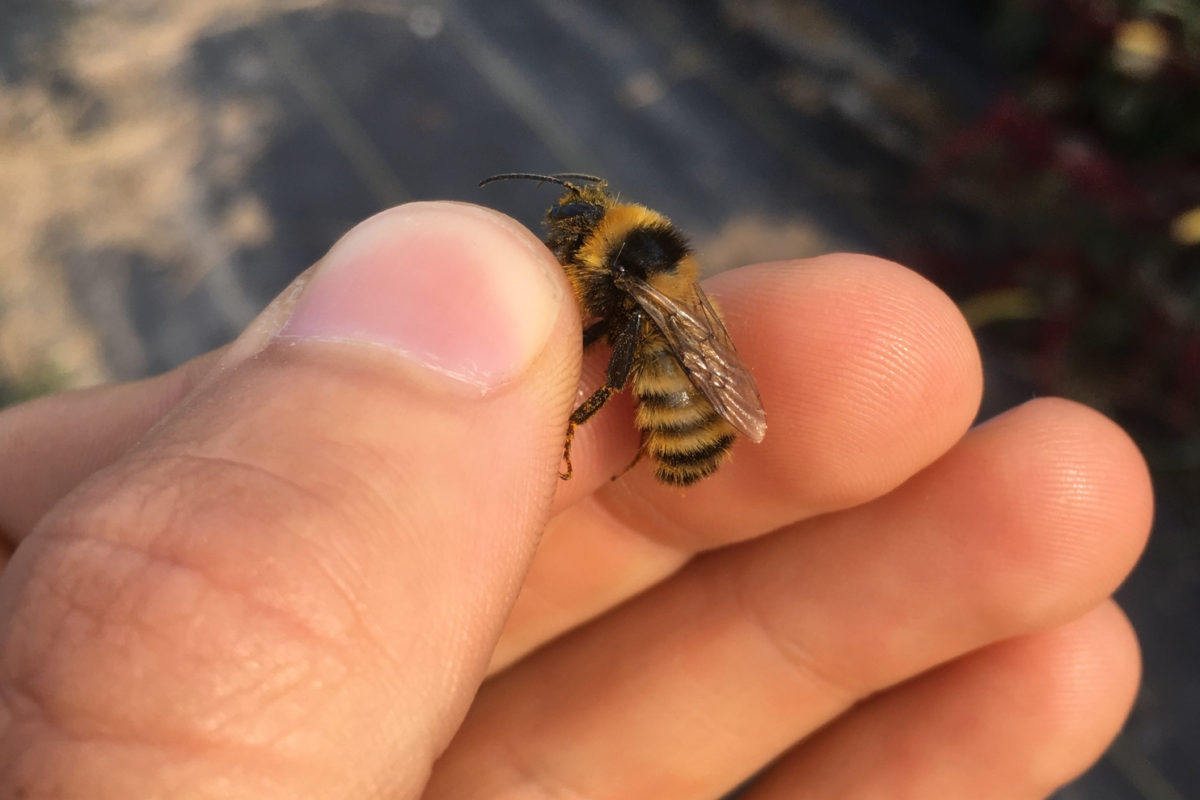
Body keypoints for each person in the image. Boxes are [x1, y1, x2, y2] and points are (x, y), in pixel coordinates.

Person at [0, 202, 1152, 798]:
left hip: (682, 414)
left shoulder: (635, 290)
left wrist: (535, 400)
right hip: (686, 416)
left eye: (570, 242)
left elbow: (639, 339)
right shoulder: (642, 268)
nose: (562, 246)